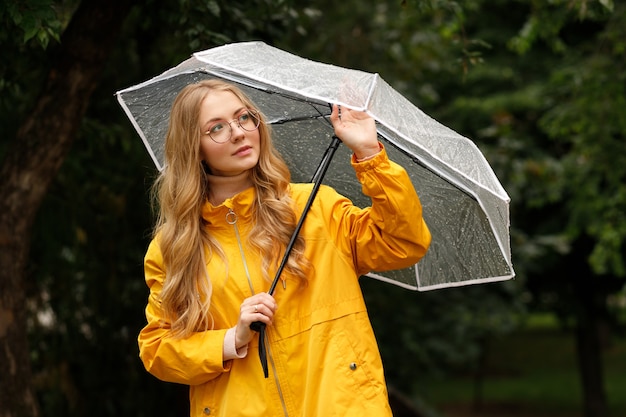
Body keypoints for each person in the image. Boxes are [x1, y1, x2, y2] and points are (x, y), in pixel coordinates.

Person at [138, 79, 431, 417]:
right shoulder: (174, 247)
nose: (237, 132)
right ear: (194, 147)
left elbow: (403, 243)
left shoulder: (315, 208)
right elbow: (158, 349)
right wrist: (232, 339)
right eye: (216, 128)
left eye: (244, 117)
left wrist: (369, 154)